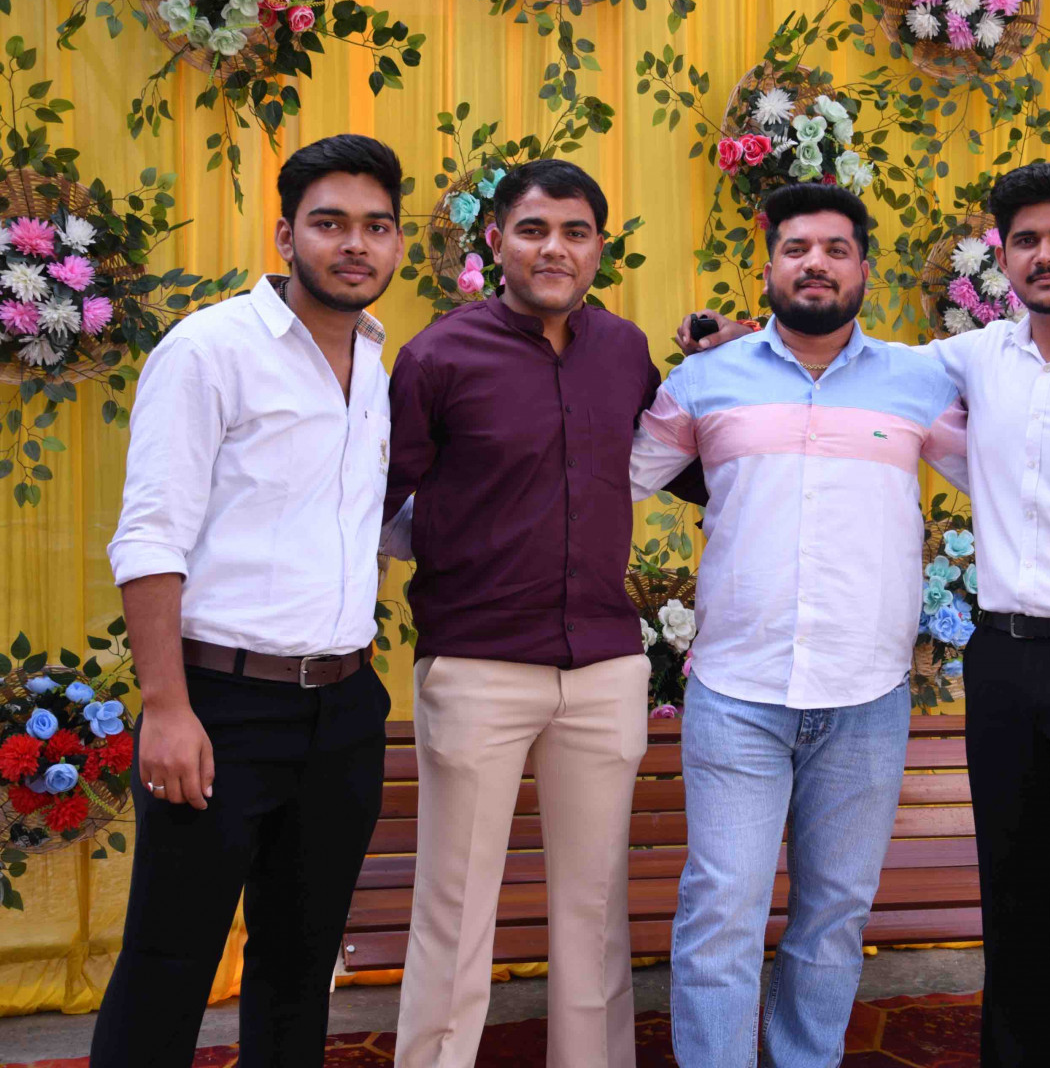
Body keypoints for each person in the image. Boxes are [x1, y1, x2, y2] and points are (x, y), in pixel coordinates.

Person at [686, 163, 1050, 1067]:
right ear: (1004, 257)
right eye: (1026, 240)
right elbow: (839, 359)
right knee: (1014, 901)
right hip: (1006, 661)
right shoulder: (967, 359)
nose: (1045, 255)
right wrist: (738, 341)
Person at [631, 182, 968, 1067]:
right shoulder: (705, 380)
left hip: (867, 696)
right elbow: (608, 478)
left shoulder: (919, 381)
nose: (815, 263)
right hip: (737, 694)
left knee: (835, 912)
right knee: (722, 909)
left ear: (864, 269)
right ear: (770, 265)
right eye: (796, 248)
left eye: (835, 249)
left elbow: (1014, 476)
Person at [383, 159, 703, 1068]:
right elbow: (376, 501)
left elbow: (685, 464)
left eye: (574, 232)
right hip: (477, 665)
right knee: (454, 906)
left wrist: (737, 372)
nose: (553, 248)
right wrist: (459, 545)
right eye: (532, 230)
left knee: (596, 911)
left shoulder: (625, 351)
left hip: (604, 666)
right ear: (496, 242)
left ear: (599, 248)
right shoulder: (437, 356)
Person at [95, 134, 405, 1068]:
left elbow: (366, 522)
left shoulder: (375, 363)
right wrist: (166, 707)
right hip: (220, 705)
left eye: (376, 226)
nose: (354, 245)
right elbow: (150, 537)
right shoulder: (209, 350)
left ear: (396, 242)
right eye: (330, 224)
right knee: (170, 960)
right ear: (285, 235)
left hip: (343, 709)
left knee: (301, 968)